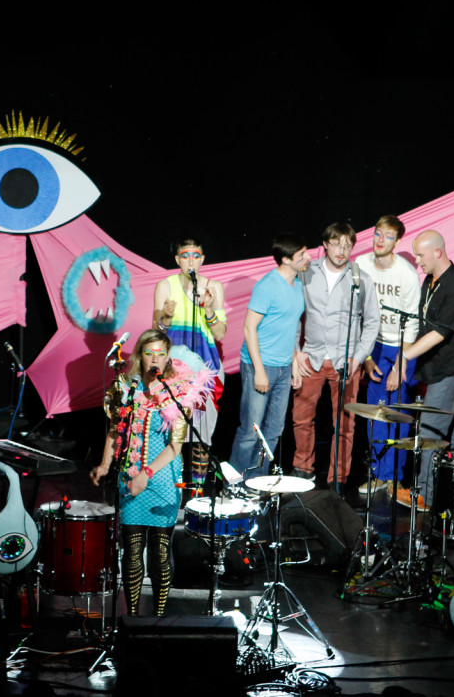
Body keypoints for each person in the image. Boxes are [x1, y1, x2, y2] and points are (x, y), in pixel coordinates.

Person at [91, 329, 214, 616]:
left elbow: (175, 446)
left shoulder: (178, 390)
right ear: (139, 356)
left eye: (161, 353)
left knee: (159, 551)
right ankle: (132, 618)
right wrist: (106, 464)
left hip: (163, 479)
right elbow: (115, 429)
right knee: (132, 549)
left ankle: (158, 617)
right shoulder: (126, 387)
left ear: (168, 356)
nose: (155, 359)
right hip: (129, 475)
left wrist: (147, 473)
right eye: (150, 353)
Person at [387, 230, 454, 511]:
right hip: (436, 372)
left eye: (420, 256)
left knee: (428, 435)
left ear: (437, 252)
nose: (417, 262)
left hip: (450, 371)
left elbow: (439, 333)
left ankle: (424, 496)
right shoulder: (430, 281)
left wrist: (404, 357)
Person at [291, 223, 380, 488]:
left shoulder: (360, 278)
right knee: (302, 418)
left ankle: (337, 481)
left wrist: (359, 356)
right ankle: (302, 470)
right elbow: (295, 314)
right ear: (325, 244)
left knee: (344, 424)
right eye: (336, 243)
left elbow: (372, 322)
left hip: (346, 362)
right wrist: (296, 353)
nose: (341, 250)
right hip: (312, 357)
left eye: (347, 245)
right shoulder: (307, 273)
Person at [229, 234, 310, 477]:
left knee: (274, 429)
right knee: (250, 430)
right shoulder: (266, 286)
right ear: (286, 259)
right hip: (259, 365)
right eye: (302, 255)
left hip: (284, 367)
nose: (308, 258)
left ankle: (256, 482)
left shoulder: (298, 286)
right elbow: (249, 328)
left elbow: (291, 327)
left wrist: (294, 365)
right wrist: (260, 370)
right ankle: (235, 483)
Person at [353, 215, 421, 494]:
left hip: (401, 346)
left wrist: (399, 365)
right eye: (378, 234)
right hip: (374, 344)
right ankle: (378, 475)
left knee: (397, 413)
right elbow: (356, 313)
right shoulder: (361, 265)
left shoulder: (406, 273)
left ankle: (394, 477)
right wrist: (367, 356)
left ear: (398, 241)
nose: (380, 241)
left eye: (388, 237)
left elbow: (414, 323)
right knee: (375, 414)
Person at [153, 236, 226, 488]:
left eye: (195, 255)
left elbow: (220, 334)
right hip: (175, 368)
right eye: (185, 255)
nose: (191, 260)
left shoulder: (213, 287)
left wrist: (208, 309)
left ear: (203, 259)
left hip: (206, 367)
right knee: (174, 429)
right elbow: (157, 330)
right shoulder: (165, 285)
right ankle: (172, 491)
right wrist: (166, 316)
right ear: (177, 260)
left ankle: (197, 492)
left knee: (201, 434)